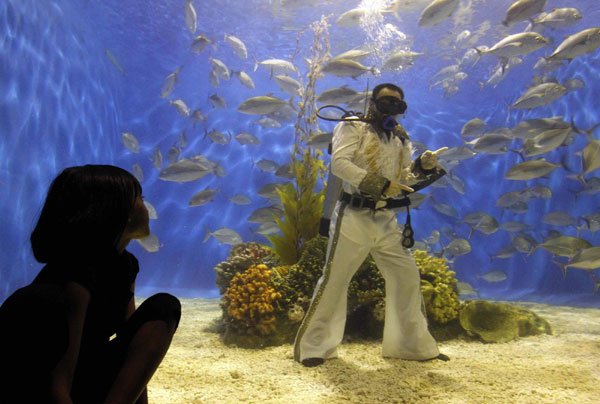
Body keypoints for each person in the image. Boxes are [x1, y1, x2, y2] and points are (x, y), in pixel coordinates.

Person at [294, 83, 449, 367]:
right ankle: (315, 347)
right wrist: (377, 184)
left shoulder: (400, 137)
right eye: (385, 102)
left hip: (386, 220)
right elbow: (339, 164)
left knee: (407, 277)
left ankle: (412, 346)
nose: (391, 110)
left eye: (397, 105)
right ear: (372, 102)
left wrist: (422, 168)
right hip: (353, 215)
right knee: (335, 280)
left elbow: (403, 178)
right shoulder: (352, 126)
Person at [0, 164, 181, 403]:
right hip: (34, 381)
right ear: (120, 212)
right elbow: (60, 372)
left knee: (164, 307)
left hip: (84, 371)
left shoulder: (125, 265)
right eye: (140, 198)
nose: (146, 207)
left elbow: (135, 349)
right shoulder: (76, 273)